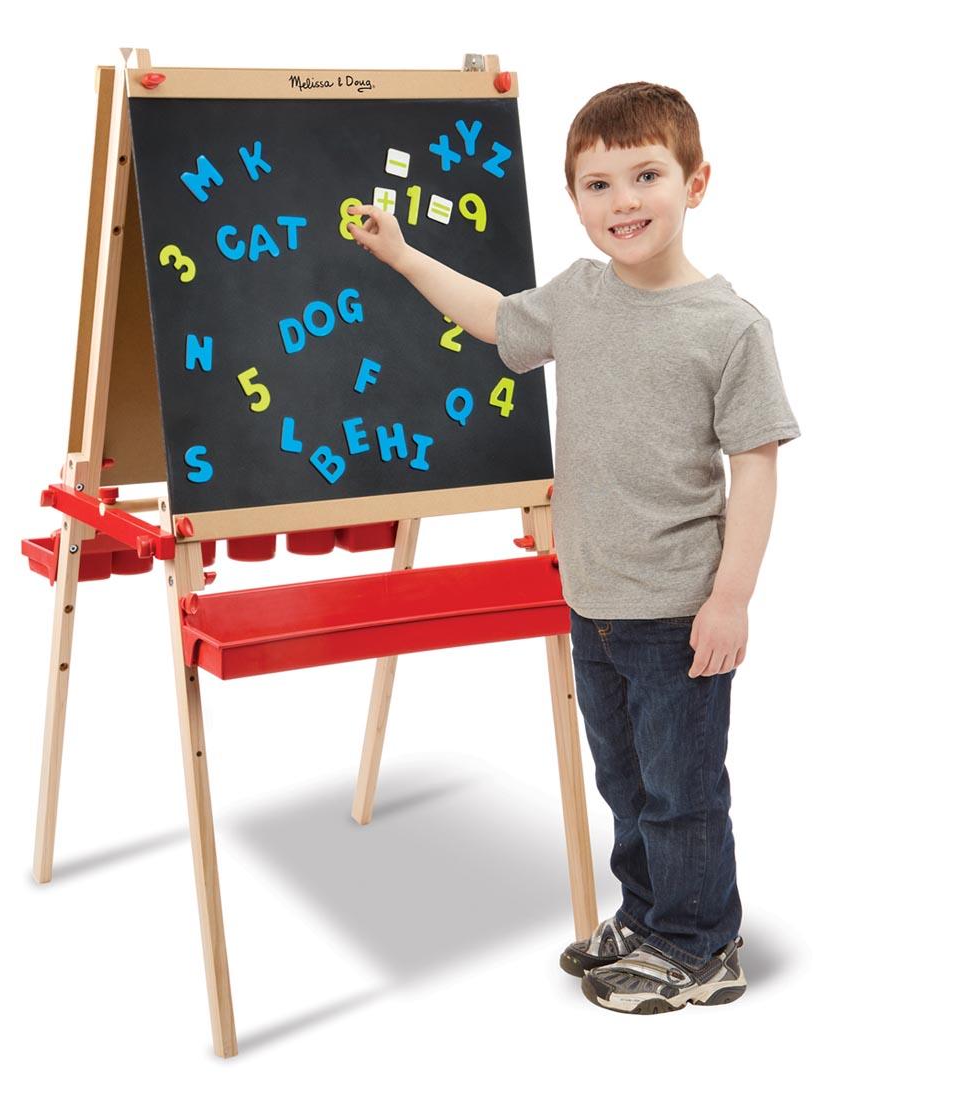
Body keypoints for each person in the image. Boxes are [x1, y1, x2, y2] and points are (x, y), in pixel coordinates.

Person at [345, 80, 799, 1015]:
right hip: (591, 597)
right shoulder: (580, 297)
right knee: (627, 783)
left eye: (646, 176)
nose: (623, 201)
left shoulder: (730, 327)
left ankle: (702, 944)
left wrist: (732, 600)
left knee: (681, 790)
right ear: (576, 201)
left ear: (696, 182)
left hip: (676, 609)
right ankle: (650, 915)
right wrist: (401, 255)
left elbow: (755, 468)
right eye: (598, 185)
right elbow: (493, 317)